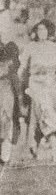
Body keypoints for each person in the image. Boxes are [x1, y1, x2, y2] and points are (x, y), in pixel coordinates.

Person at [21, 19, 56, 162]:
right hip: (35, 85)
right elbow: (22, 68)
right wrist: (23, 87)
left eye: (45, 29)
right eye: (39, 29)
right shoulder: (30, 47)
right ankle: (55, 149)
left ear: (49, 31)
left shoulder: (53, 47)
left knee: (39, 116)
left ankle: (33, 145)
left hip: (50, 85)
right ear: (35, 32)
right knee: (45, 113)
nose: (42, 32)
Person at [0, 32, 21, 164]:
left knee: (6, 119)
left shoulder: (8, 51)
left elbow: (13, 70)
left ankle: (5, 153)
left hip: (5, 88)